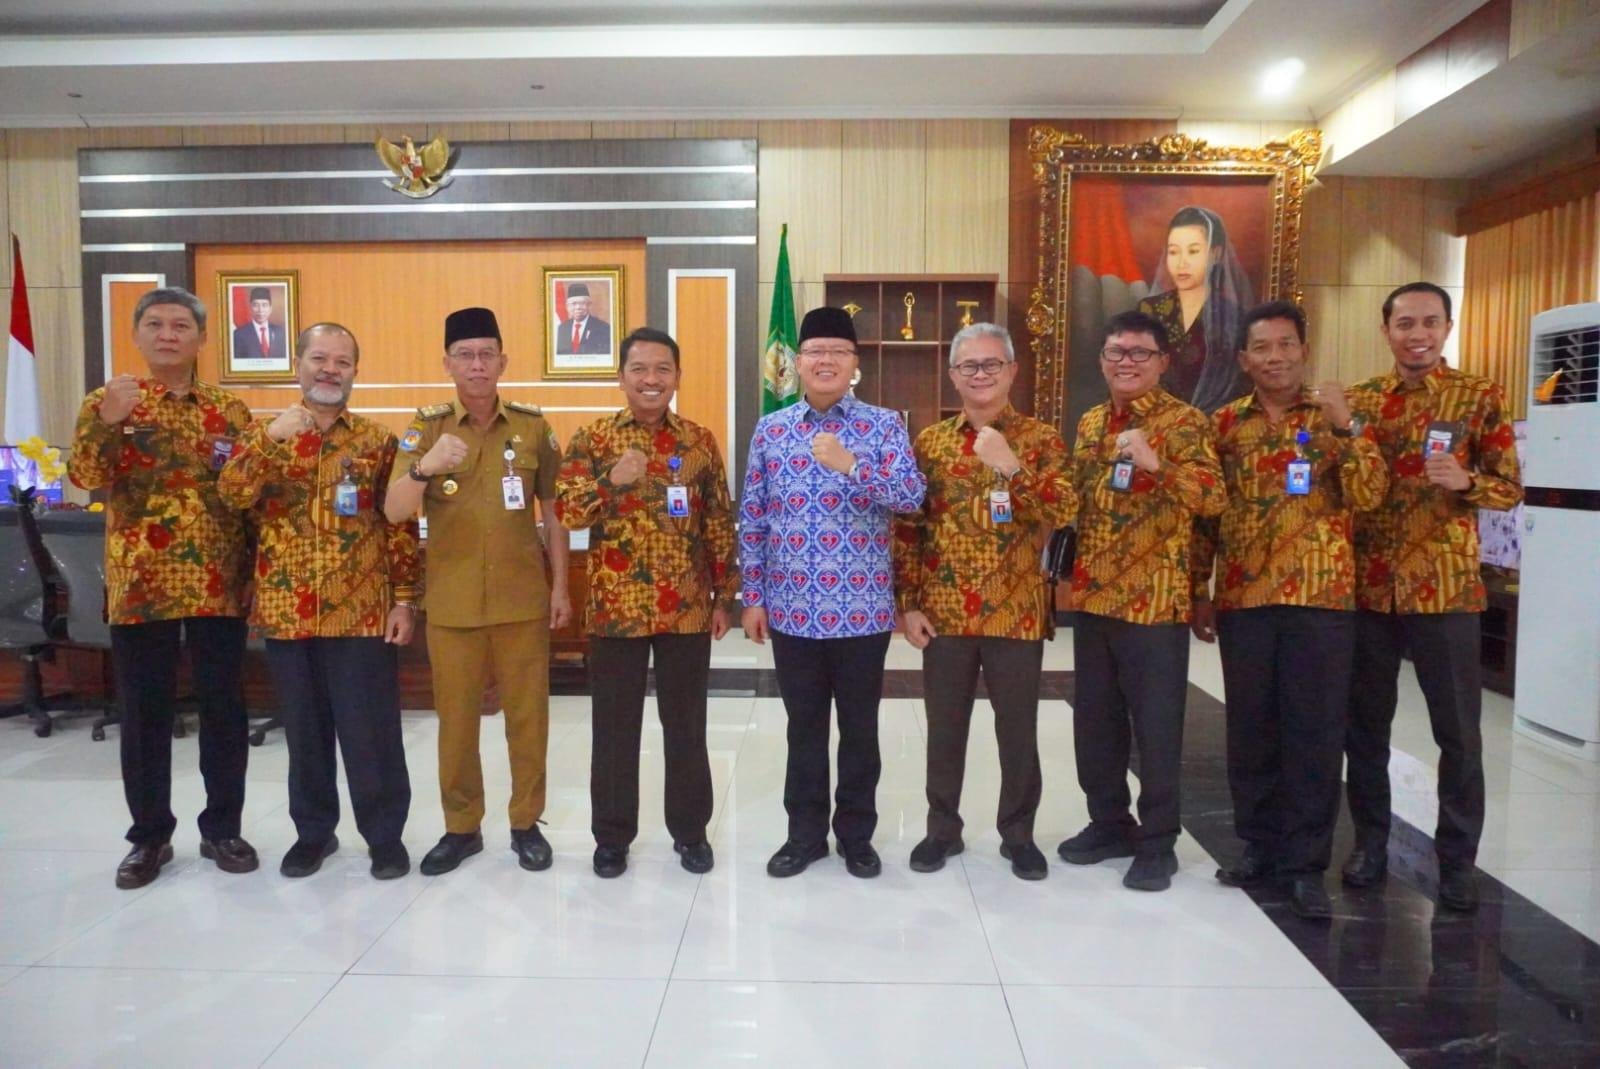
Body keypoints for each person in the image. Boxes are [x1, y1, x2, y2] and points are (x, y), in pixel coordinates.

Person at [1189, 301, 1388, 919]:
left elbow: (1371, 495)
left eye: (1285, 344)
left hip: (1320, 601)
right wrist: (1199, 589)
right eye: (1262, 347)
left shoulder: (1338, 415)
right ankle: (1258, 847)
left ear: (1303, 350)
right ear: (1243, 359)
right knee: (1251, 731)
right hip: (1245, 599)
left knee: (1315, 734)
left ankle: (1305, 866)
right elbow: (1207, 517)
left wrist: (1347, 427)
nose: (1274, 357)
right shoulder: (1225, 425)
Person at [67, 287, 257, 890]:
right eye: (156, 324)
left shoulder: (229, 411)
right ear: (138, 335)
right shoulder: (109, 401)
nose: (168, 334)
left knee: (224, 710)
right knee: (144, 714)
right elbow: (84, 476)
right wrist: (108, 421)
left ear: (201, 339)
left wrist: (254, 574)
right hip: (141, 584)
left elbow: (247, 496)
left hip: (217, 581)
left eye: (181, 325)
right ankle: (149, 837)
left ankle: (222, 828)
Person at [1342, 281, 1522, 913]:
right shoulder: (1362, 401)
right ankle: (1369, 844)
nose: (1417, 334)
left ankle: (1458, 863)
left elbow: (1509, 488)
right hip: (1371, 587)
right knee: (1364, 729)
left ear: (1447, 327)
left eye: (1429, 322)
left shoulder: (1479, 396)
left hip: (1444, 590)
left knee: (1459, 735)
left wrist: (1468, 481)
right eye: (1404, 323)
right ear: (1386, 330)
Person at [218, 323, 420, 880]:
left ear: (355, 371)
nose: (330, 370)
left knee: (371, 733)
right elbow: (231, 494)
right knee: (304, 734)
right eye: (320, 359)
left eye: (342, 362)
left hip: (361, 611)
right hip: (288, 611)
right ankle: (313, 834)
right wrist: (270, 438)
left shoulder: (377, 442)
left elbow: (400, 525)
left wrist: (405, 599)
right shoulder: (266, 434)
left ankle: (384, 837)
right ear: (298, 364)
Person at [740, 306, 926, 879]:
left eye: (838, 352)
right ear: (797, 363)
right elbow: (753, 517)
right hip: (791, 611)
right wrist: (752, 597)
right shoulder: (772, 430)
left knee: (860, 730)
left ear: (854, 364)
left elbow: (912, 496)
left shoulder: (884, 426)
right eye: (815, 351)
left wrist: (853, 466)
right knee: (804, 729)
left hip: (862, 611)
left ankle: (856, 836)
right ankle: (804, 836)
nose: (826, 361)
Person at [384, 306, 571, 876]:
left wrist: (561, 587)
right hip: (453, 604)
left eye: (487, 354)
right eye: (464, 355)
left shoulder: (532, 427)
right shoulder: (427, 428)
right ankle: (461, 828)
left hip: (522, 601)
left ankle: (525, 823)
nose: (477, 365)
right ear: (447, 364)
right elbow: (393, 510)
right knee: (457, 724)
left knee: (528, 721)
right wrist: (424, 468)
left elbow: (555, 512)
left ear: (503, 361)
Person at [894, 323, 1074, 881]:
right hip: (944, 612)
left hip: (1016, 611)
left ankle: (1018, 834)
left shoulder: (1040, 439)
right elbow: (910, 527)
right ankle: (941, 830)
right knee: (944, 729)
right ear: (953, 375)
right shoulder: (931, 443)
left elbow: (1064, 510)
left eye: (991, 364)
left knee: (1017, 732)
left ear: (1012, 371)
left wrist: (1010, 464)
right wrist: (909, 603)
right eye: (969, 366)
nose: (980, 375)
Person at [556, 327, 736, 878]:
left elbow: (717, 519)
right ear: (621, 377)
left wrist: (725, 595)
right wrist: (611, 481)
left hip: (686, 608)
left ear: (677, 377)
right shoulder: (592, 439)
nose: (651, 379)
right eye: (639, 368)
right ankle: (612, 838)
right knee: (614, 730)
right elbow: (566, 512)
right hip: (616, 610)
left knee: (686, 727)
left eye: (662, 369)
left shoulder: (699, 441)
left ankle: (691, 833)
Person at [1057, 309, 1225, 892]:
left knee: (1155, 729)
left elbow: (1213, 498)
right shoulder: (1091, 422)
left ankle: (1157, 843)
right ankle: (1109, 823)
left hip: (1154, 604)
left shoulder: (1185, 422)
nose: (1126, 362)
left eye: (1139, 353)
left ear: (1162, 361)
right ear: (1102, 360)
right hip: (1094, 599)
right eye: (1116, 352)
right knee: (1095, 723)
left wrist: (1159, 464)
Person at [1136, 205, 1253, 413]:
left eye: (1193, 251)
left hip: (1218, 424)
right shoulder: (1149, 310)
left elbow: (1242, 386)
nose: (1182, 263)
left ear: (1215, 254)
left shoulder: (1235, 319)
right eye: (1174, 252)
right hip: (1154, 422)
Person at [231, 286, 287, 361]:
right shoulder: (238, 335)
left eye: (264, 305)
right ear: (250, 308)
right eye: (256, 305)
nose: (260, 310)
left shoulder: (280, 333)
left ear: (270, 309)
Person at [555, 283, 612, 355]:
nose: (578, 307)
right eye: (574, 304)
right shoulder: (562, 328)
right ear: (567, 307)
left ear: (589, 305)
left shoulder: (604, 328)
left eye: (582, 303)